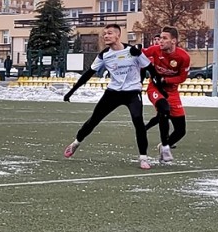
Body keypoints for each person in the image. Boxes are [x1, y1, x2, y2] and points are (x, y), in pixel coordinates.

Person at [62, 24, 158, 170]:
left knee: (138, 121)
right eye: (104, 33)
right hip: (113, 93)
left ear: (118, 35)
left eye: (109, 33)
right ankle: (76, 143)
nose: (106, 36)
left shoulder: (133, 51)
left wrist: (157, 85)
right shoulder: (104, 55)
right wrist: (72, 91)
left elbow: (151, 69)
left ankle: (143, 158)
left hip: (132, 93)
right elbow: (88, 73)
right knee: (94, 120)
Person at [143, 26, 190, 163]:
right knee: (164, 109)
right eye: (160, 38)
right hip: (155, 89)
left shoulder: (183, 57)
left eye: (164, 38)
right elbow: (140, 54)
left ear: (173, 41)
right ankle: (165, 147)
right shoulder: (154, 50)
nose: (160, 41)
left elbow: (182, 77)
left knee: (181, 130)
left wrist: (166, 80)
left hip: (172, 92)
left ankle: (165, 145)